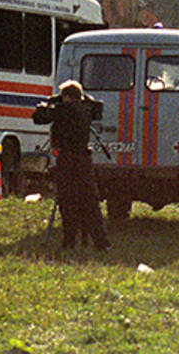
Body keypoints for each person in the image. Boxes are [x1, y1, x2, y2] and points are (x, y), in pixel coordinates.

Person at [33, 80, 110, 254]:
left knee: (67, 199)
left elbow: (38, 118)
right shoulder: (87, 110)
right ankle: (101, 241)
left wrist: (47, 104)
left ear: (66, 97)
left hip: (66, 158)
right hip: (84, 159)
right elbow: (97, 107)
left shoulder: (62, 110)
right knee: (90, 200)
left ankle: (69, 240)